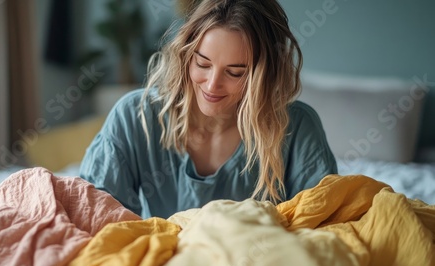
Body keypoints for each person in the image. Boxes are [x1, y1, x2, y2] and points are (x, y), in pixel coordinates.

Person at [80, 0, 337, 219]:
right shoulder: (135, 116)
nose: (212, 85)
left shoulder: (298, 128)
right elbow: (97, 215)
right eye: (202, 64)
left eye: (235, 72)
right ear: (186, 54)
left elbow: (322, 225)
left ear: (265, 74)